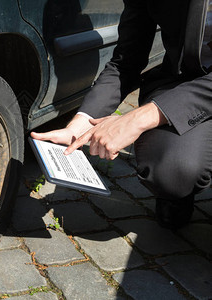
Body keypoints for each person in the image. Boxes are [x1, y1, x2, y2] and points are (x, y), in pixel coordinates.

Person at [31, 0, 212, 229]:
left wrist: (136, 119)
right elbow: (125, 62)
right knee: (173, 170)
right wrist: (80, 124)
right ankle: (179, 195)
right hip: (182, 83)